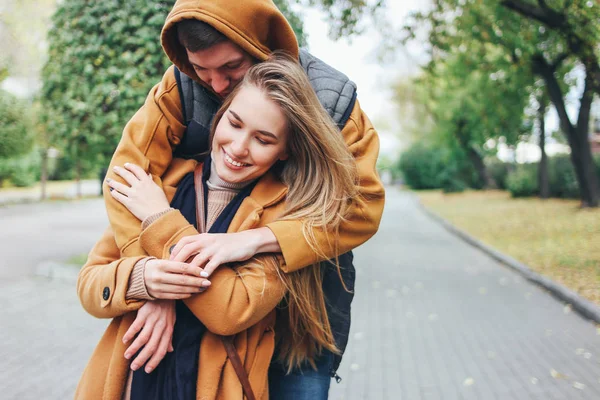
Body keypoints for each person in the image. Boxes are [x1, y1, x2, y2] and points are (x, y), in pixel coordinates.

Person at [101, 0, 385, 396]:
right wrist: (156, 281)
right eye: (202, 70)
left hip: (298, 317)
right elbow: (127, 178)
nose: (215, 85)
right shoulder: (178, 86)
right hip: (205, 302)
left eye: (231, 70)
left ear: (261, 44)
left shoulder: (334, 101)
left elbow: (363, 205)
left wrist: (254, 239)